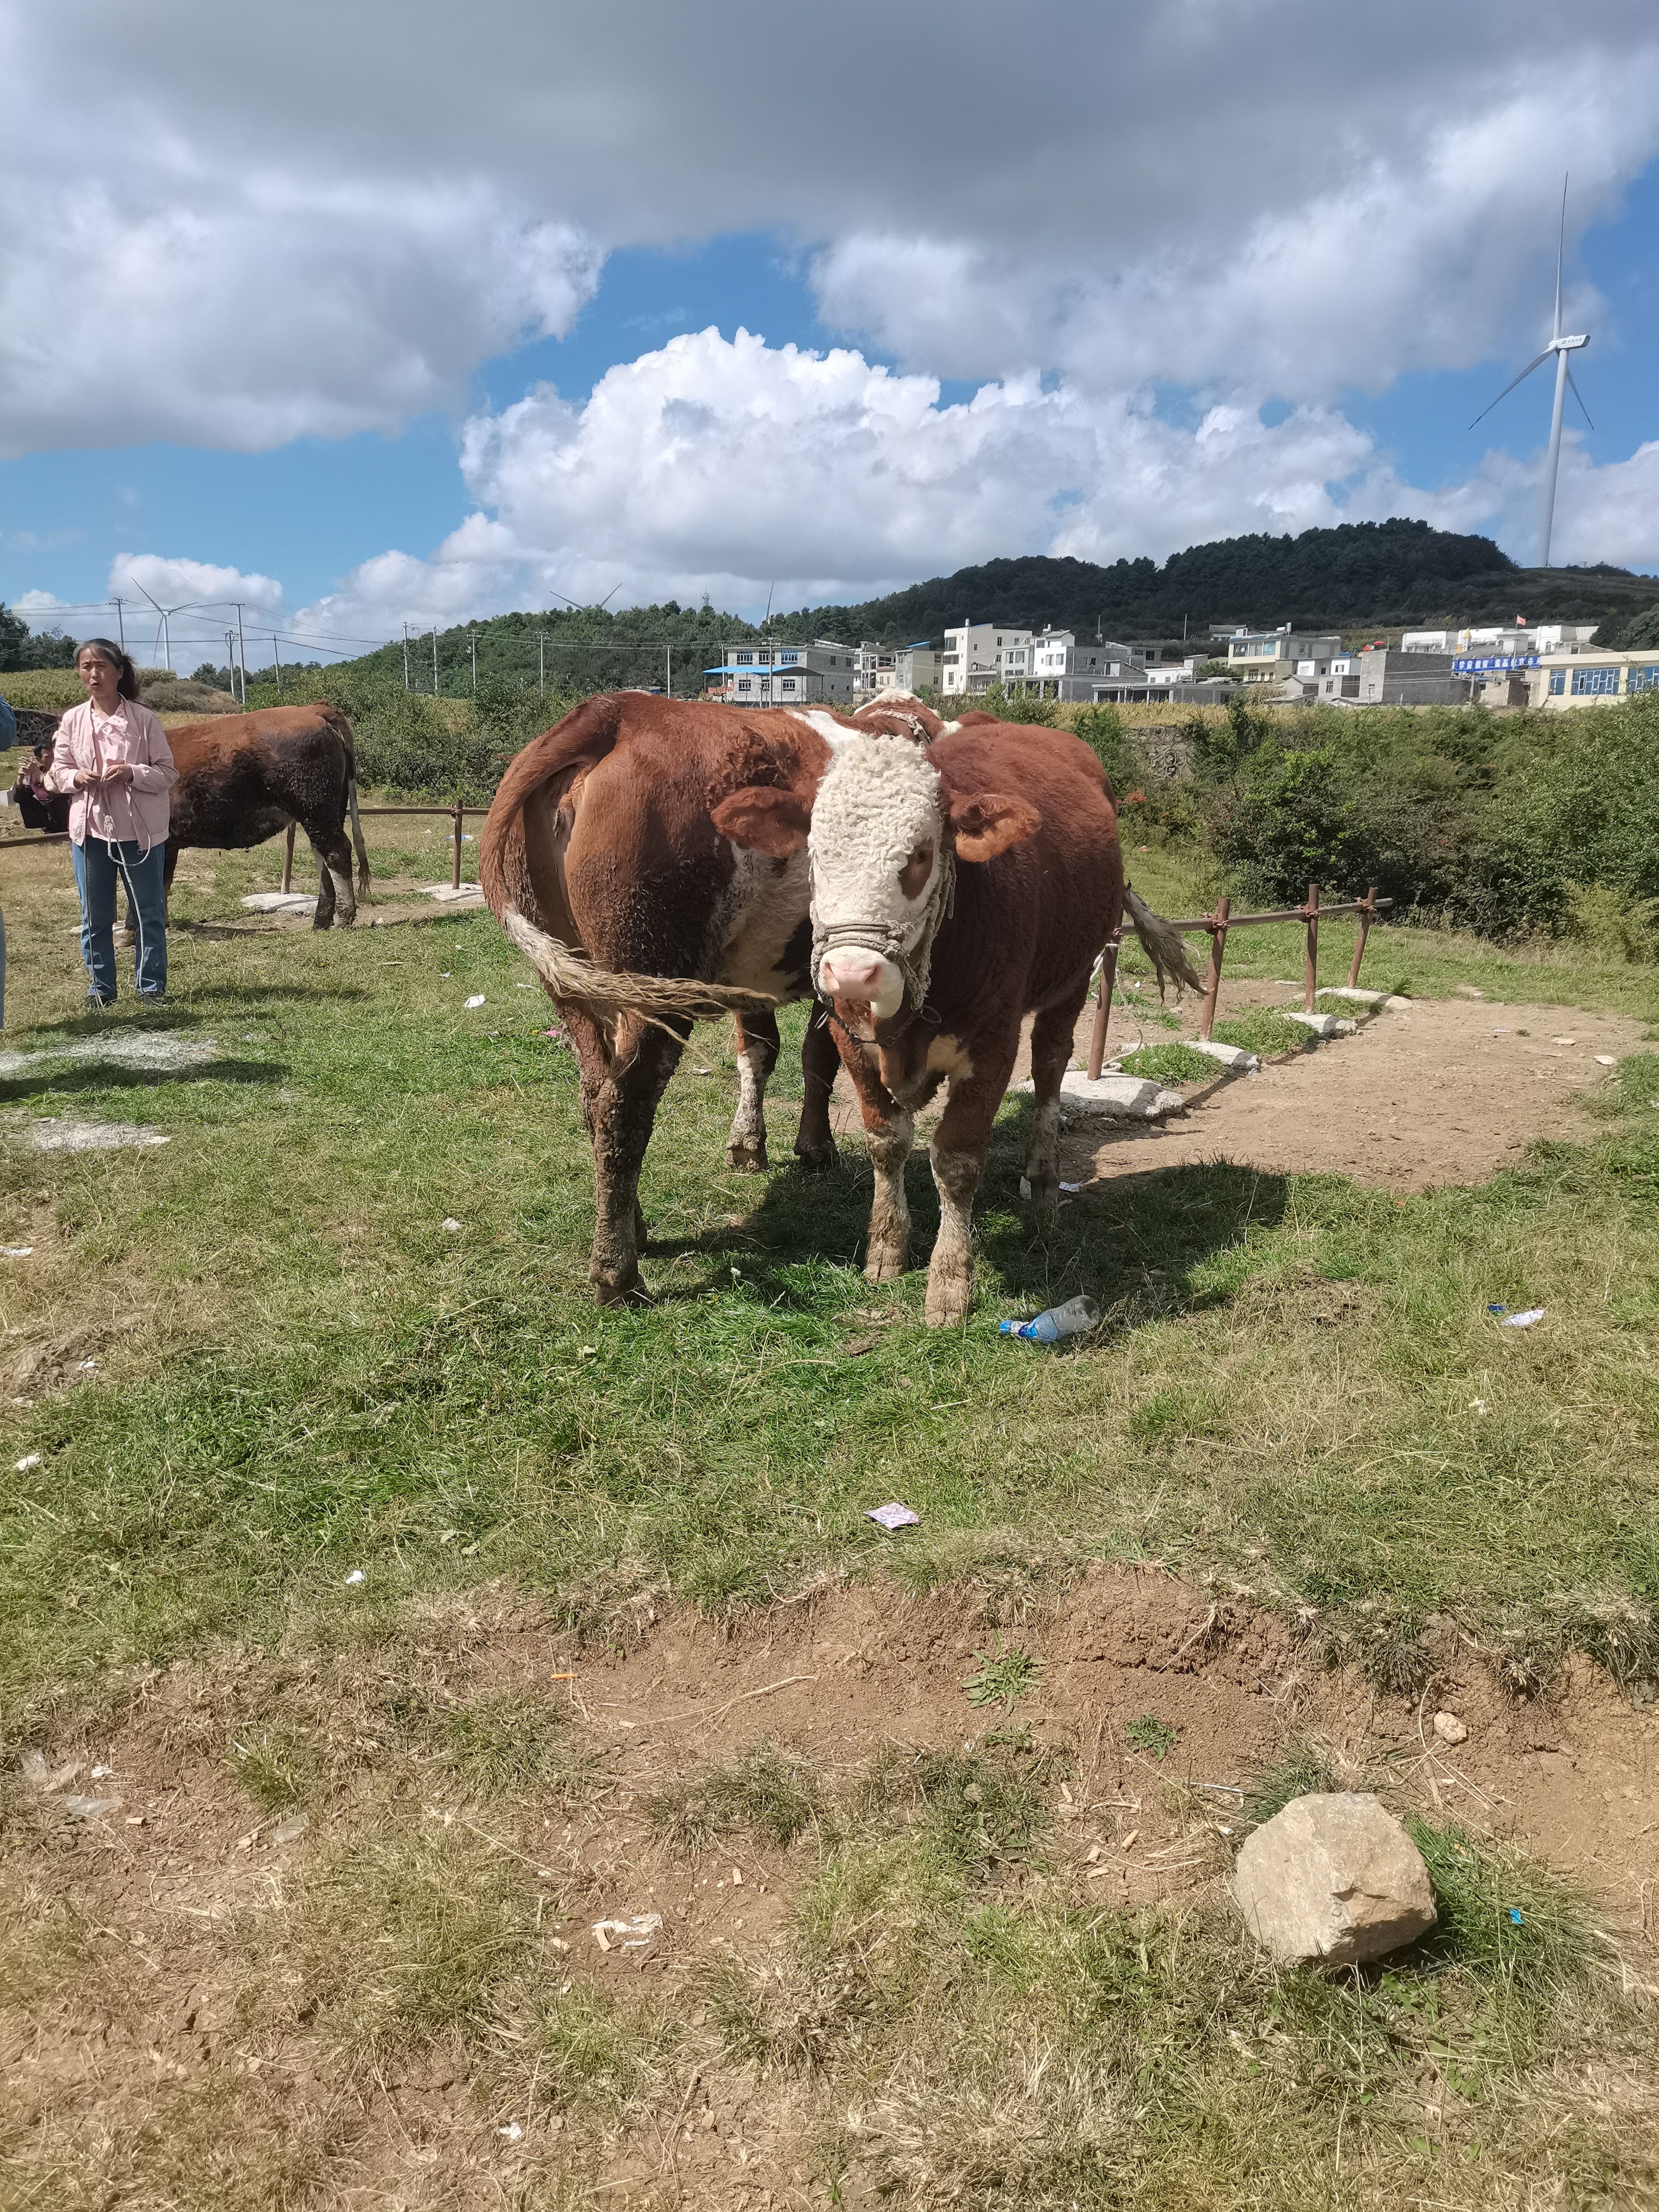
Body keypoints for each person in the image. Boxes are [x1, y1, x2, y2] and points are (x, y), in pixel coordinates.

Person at [46, 640, 177, 1006]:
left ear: (119, 671)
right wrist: (76, 778)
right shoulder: (72, 720)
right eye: (86, 666)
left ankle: (151, 987)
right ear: (78, 673)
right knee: (95, 916)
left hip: (141, 834)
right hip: (89, 832)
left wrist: (132, 773)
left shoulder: (144, 719)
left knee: (148, 914)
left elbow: (168, 773)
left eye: (101, 666)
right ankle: (101, 989)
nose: (94, 674)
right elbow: (58, 771)